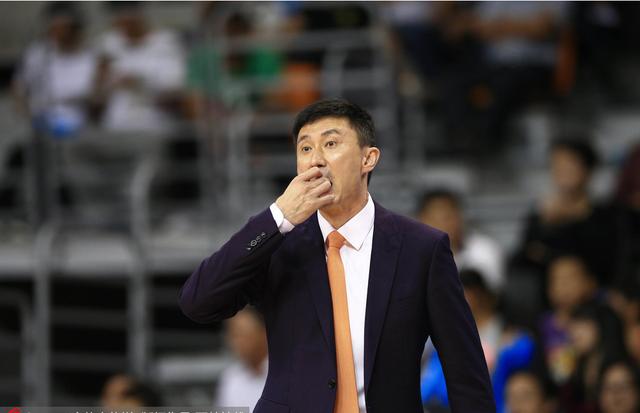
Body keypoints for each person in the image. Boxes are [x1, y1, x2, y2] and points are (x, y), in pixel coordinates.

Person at [179, 99, 495, 413]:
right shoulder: (278, 244)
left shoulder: (422, 248)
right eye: (305, 148)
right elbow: (198, 302)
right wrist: (278, 217)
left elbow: (465, 371)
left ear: (368, 158)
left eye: (330, 144)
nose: (316, 160)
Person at [93, 1, 185, 132]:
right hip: (117, 123)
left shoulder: (166, 42)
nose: (125, 23)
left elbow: (176, 85)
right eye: (121, 17)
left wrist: (141, 82)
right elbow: (98, 91)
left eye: (130, 17)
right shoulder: (108, 44)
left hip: (155, 122)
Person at [12, 1, 97, 137]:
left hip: (81, 127)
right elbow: (19, 87)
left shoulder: (91, 57)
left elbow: (98, 96)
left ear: (76, 29)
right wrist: (27, 114)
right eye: (54, 27)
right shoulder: (38, 55)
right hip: (44, 124)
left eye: (64, 28)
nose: (57, 33)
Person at [417, 189, 506, 293]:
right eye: (434, 219)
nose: (442, 225)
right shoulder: (407, 254)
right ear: (420, 220)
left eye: (447, 217)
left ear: (460, 216)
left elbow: (488, 295)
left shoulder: (485, 251)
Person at [214, 307, 268, 410]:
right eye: (233, 335)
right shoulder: (230, 377)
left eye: (241, 334)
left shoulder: (283, 373)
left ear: (263, 333)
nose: (236, 342)